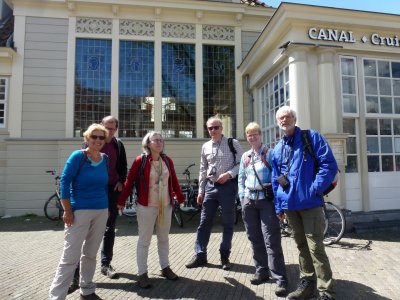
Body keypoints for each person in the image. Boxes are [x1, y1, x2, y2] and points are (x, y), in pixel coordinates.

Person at [271, 106, 338, 300]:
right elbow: (277, 179)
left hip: (310, 204)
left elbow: (329, 165)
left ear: (295, 119)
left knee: (315, 247)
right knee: (301, 246)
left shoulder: (312, 137)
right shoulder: (277, 149)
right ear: (278, 122)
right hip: (290, 206)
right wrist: (279, 206)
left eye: (288, 116)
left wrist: (314, 189)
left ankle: (326, 291)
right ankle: (308, 283)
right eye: (281, 118)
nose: (285, 120)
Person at [117, 131, 185, 289]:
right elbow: (129, 182)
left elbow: (173, 180)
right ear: (148, 144)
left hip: (165, 206)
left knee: (164, 238)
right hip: (146, 207)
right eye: (156, 140)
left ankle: (165, 267)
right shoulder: (140, 160)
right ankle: (142, 274)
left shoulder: (167, 160)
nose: (160, 143)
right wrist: (121, 201)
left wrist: (180, 198)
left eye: (161, 140)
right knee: (144, 240)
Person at [49, 124, 109, 300]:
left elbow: (104, 184)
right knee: (70, 257)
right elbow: (65, 182)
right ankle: (56, 296)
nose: (98, 140)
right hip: (79, 211)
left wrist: (106, 209)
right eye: (94, 137)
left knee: (90, 253)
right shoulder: (78, 156)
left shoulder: (105, 158)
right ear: (87, 139)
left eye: (101, 137)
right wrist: (67, 210)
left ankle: (87, 289)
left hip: (101, 210)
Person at [68, 116, 127, 293]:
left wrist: (121, 181)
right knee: (84, 233)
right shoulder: (91, 143)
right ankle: (75, 275)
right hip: (91, 193)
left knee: (109, 229)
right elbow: (77, 170)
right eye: (106, 128)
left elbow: (123, 166)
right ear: (100, 127)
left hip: (111, 191)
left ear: (116, 129)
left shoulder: (118, 144)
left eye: (112, 129)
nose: (108, 132)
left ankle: (106, 264)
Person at [185, 116, 243, 270]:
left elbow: (241, 164)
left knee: (228, 223)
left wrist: (229, 174)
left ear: (221, 128)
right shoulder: (205, 146)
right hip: (210, 187)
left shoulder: (233, 143)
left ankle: (225, 256)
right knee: (204, 222)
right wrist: (201, 191)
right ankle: (200, 255)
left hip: (228, 187)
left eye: (216, 127)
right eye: (210, 128)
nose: (213, 130)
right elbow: (203, 170)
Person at [238, 122, 288, 297]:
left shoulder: (270, 154)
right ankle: (261, 271)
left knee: (271, 239)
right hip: (249, 202)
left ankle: (280, 279)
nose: (252, 137)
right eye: (249, 134)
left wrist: (280, 203)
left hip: (266, 201)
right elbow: (241, 178)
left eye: (255, 134)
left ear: (260, 135)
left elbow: (278, 177)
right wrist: (242, 197)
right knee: (254, 238)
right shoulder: (246, 156)